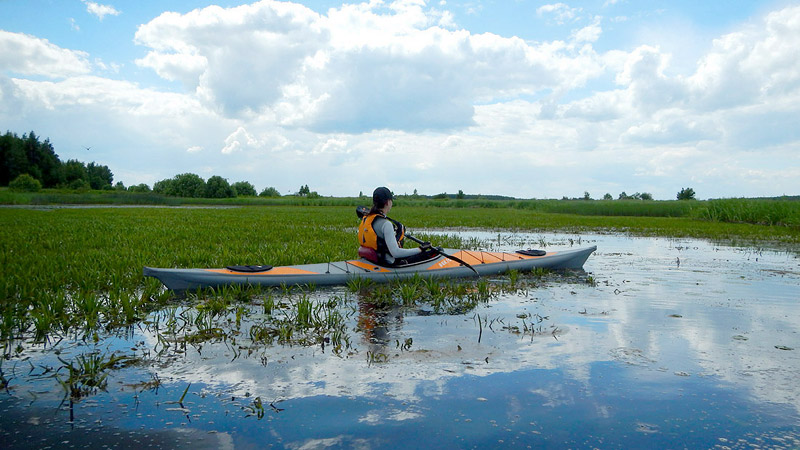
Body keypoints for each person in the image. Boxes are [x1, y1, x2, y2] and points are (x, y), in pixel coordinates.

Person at [358, 187, 431, 265]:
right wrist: (420, 249)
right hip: (386, 263)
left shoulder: (366, 218)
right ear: (388, 202)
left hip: (371, 260)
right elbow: (396, 253)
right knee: (430, 253)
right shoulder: (386, 224)